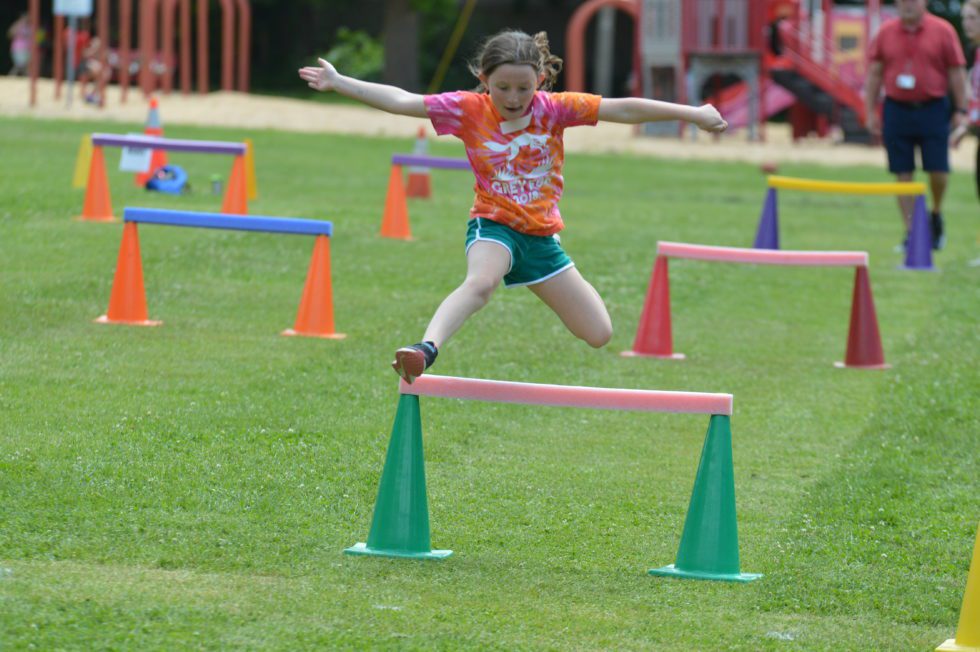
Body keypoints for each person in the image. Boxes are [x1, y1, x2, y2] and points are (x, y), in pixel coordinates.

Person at [299, 30, 727, 383]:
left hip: (541, 238)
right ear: (484, 79)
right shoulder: (467, 110)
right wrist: (340, 83)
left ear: (539, 79)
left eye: (524, 87)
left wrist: (692, 112)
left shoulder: (556, 110)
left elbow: (624, 109)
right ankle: (424, 349)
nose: (513, 96)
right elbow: (401, 100)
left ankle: (436, 341)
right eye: (502, 87)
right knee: (481, 283)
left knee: (599, 333)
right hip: (495, 226)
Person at [863, 0, 970, 251]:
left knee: (938, 171)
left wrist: (960, 110)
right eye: (902, 1)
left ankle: (936, 213)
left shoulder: (943, 30)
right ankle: (912, 232)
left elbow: (956, 72)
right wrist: (869, 111)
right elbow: (875, 73)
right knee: (902, 173)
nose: (907, 5)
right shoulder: (886, 32)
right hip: (897, 109)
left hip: (933, 108)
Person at [951, 0, 979, 201]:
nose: (966, 23)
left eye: (972, 18)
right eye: (964, 18)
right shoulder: (975, 52)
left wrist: (966, 125)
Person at [7, 12, 31, 77]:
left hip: (27, 48)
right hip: (18, 48)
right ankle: (11, 77)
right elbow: (10, 34)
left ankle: (28, 78)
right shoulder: (17, 25)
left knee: (26, 66)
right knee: (20, 65)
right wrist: (19, 24)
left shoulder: (29, 26)